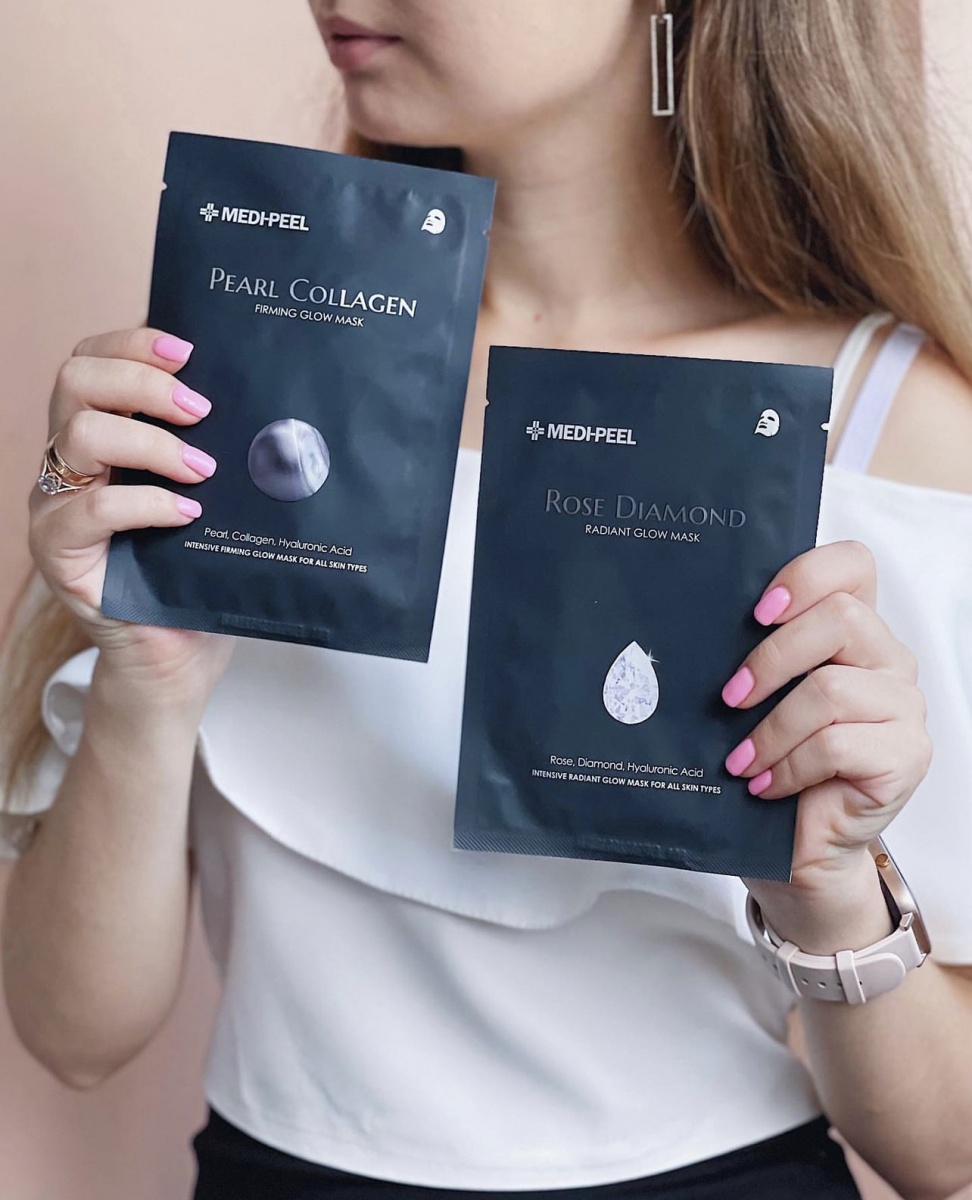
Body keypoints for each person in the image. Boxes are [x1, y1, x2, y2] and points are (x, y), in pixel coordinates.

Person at [3, 2, 972, 1197]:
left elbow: (948, 1153)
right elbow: (71, 1035)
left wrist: (832, 899)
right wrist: (144, 681)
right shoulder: (261, 352)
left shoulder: (891, 436)